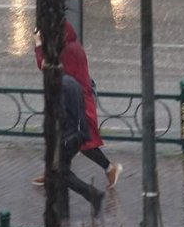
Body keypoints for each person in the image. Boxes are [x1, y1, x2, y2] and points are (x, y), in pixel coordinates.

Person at [33, 21, 123, 189]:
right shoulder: (71, 44)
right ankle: (52, 172)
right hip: (73, 99)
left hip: (78, 102)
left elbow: (45, 66)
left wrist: (38, 45)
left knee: (82, 142)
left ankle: (110, 169)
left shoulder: (66, 50)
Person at [57, 71, 104, 219]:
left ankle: (93, 194)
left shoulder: (59, 86)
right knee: (61, 171)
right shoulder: (71, 81)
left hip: (67, 137)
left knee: (60, 173)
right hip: (79, 134)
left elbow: (61, 114)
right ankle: (62, 211)